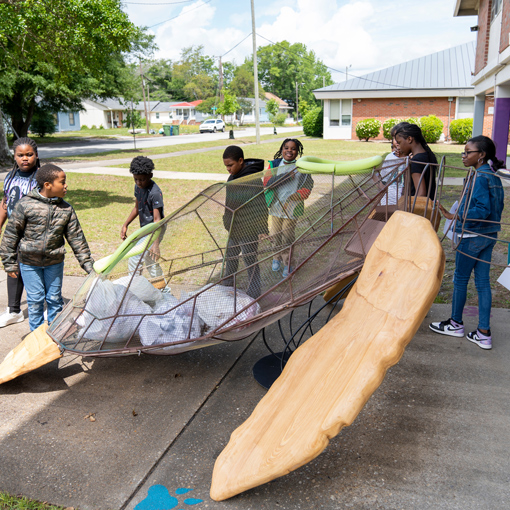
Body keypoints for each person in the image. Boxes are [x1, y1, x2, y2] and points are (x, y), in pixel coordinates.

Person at [429, 136, 504, 350]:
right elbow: (496, 209)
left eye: (468, 152)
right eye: (463, 151)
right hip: (489, 235)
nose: (463, 156)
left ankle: (455, 324)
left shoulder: (479, 177)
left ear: (481, 155)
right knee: (482, 283)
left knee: (460, 279)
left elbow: (482, 210)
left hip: (472, 236)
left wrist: (458, 216)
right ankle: (483, 333)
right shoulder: (491, 176)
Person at [0, 164, 94, 331]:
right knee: (35, 300)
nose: (66, 186)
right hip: (29, 264)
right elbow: (10, 235)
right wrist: (9, 262)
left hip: (54, 263)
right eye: (62, 182)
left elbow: (77, 238)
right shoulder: (25, 205)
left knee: (54, 299)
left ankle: (53, 335)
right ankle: (35, 337)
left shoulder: (66, 209)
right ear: (47, 185)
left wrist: (88, 265)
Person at [0, 137, 40, 328]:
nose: (25, 158)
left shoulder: (42, 177)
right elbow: (5, 203)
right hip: (13, 234)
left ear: (36, 155)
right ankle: (14, 311)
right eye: (20, 155)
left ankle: (47, 306)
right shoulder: (10, 177)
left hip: (35, 235)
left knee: (38, 270)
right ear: (14, 157)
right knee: (13, 269)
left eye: (29, 154)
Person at [222, 145, 268, 298]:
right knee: (231, 257)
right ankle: (228, 286)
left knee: (250, 260)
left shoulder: (252, 180)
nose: (228, 169)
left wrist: (262, 229)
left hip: (248, 229)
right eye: (226, 166)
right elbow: (229, 202)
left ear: (240, 161)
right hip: (234, 228)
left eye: (230, 165)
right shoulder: (232, 177)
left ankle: (255, 293)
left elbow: (261, 204)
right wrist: (226, 220)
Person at [263, 138, 313, 278]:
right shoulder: (274, 164)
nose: (289, 151)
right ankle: (276, 257)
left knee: (287, 237)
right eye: (286, 148)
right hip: (276, 207)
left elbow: (308, 186)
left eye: (293, 149)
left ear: (298, 151)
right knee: (275, 235)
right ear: (282, 149)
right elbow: (267, 182)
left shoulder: (302, 167)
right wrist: (286, 176)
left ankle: (287, 263)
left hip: (291, 208)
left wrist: (297, 196)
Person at [121, 156, 164, 277]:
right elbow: (137, 207)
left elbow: (157, 220)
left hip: (155, 229)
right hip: (146, 229)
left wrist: (155, 245)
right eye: (136, 179)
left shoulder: (155, 193)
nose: (139, 183)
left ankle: (133, 287)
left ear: (150, 175)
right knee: (151, 261)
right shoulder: (138, 188)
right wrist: (126, 224)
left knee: (135, 258)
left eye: (142, 180)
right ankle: (164, 290)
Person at [393, 123, 437, 199]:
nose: (398, 147)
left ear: (409, 139)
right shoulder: (427, 155)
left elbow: (421, 193)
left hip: (417, 208)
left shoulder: (416, 161)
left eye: (399, 142)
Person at [379, 138, 406, 205]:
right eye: (393, 147)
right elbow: (383, 180)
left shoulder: (411, 158)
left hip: (403, 201)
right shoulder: (389, 157)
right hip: (388, 200)